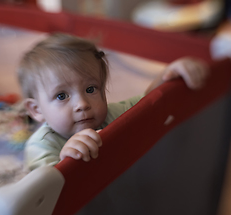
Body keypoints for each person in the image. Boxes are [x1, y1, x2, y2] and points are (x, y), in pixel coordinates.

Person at [18, 33, 208, 170]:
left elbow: (150, 102)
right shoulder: (40, 146)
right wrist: (65, 163)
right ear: (36, 110)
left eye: (91, 89)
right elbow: (42, 203)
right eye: (61, 96)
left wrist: (171, 73)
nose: (82, 104)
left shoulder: (114, 114)